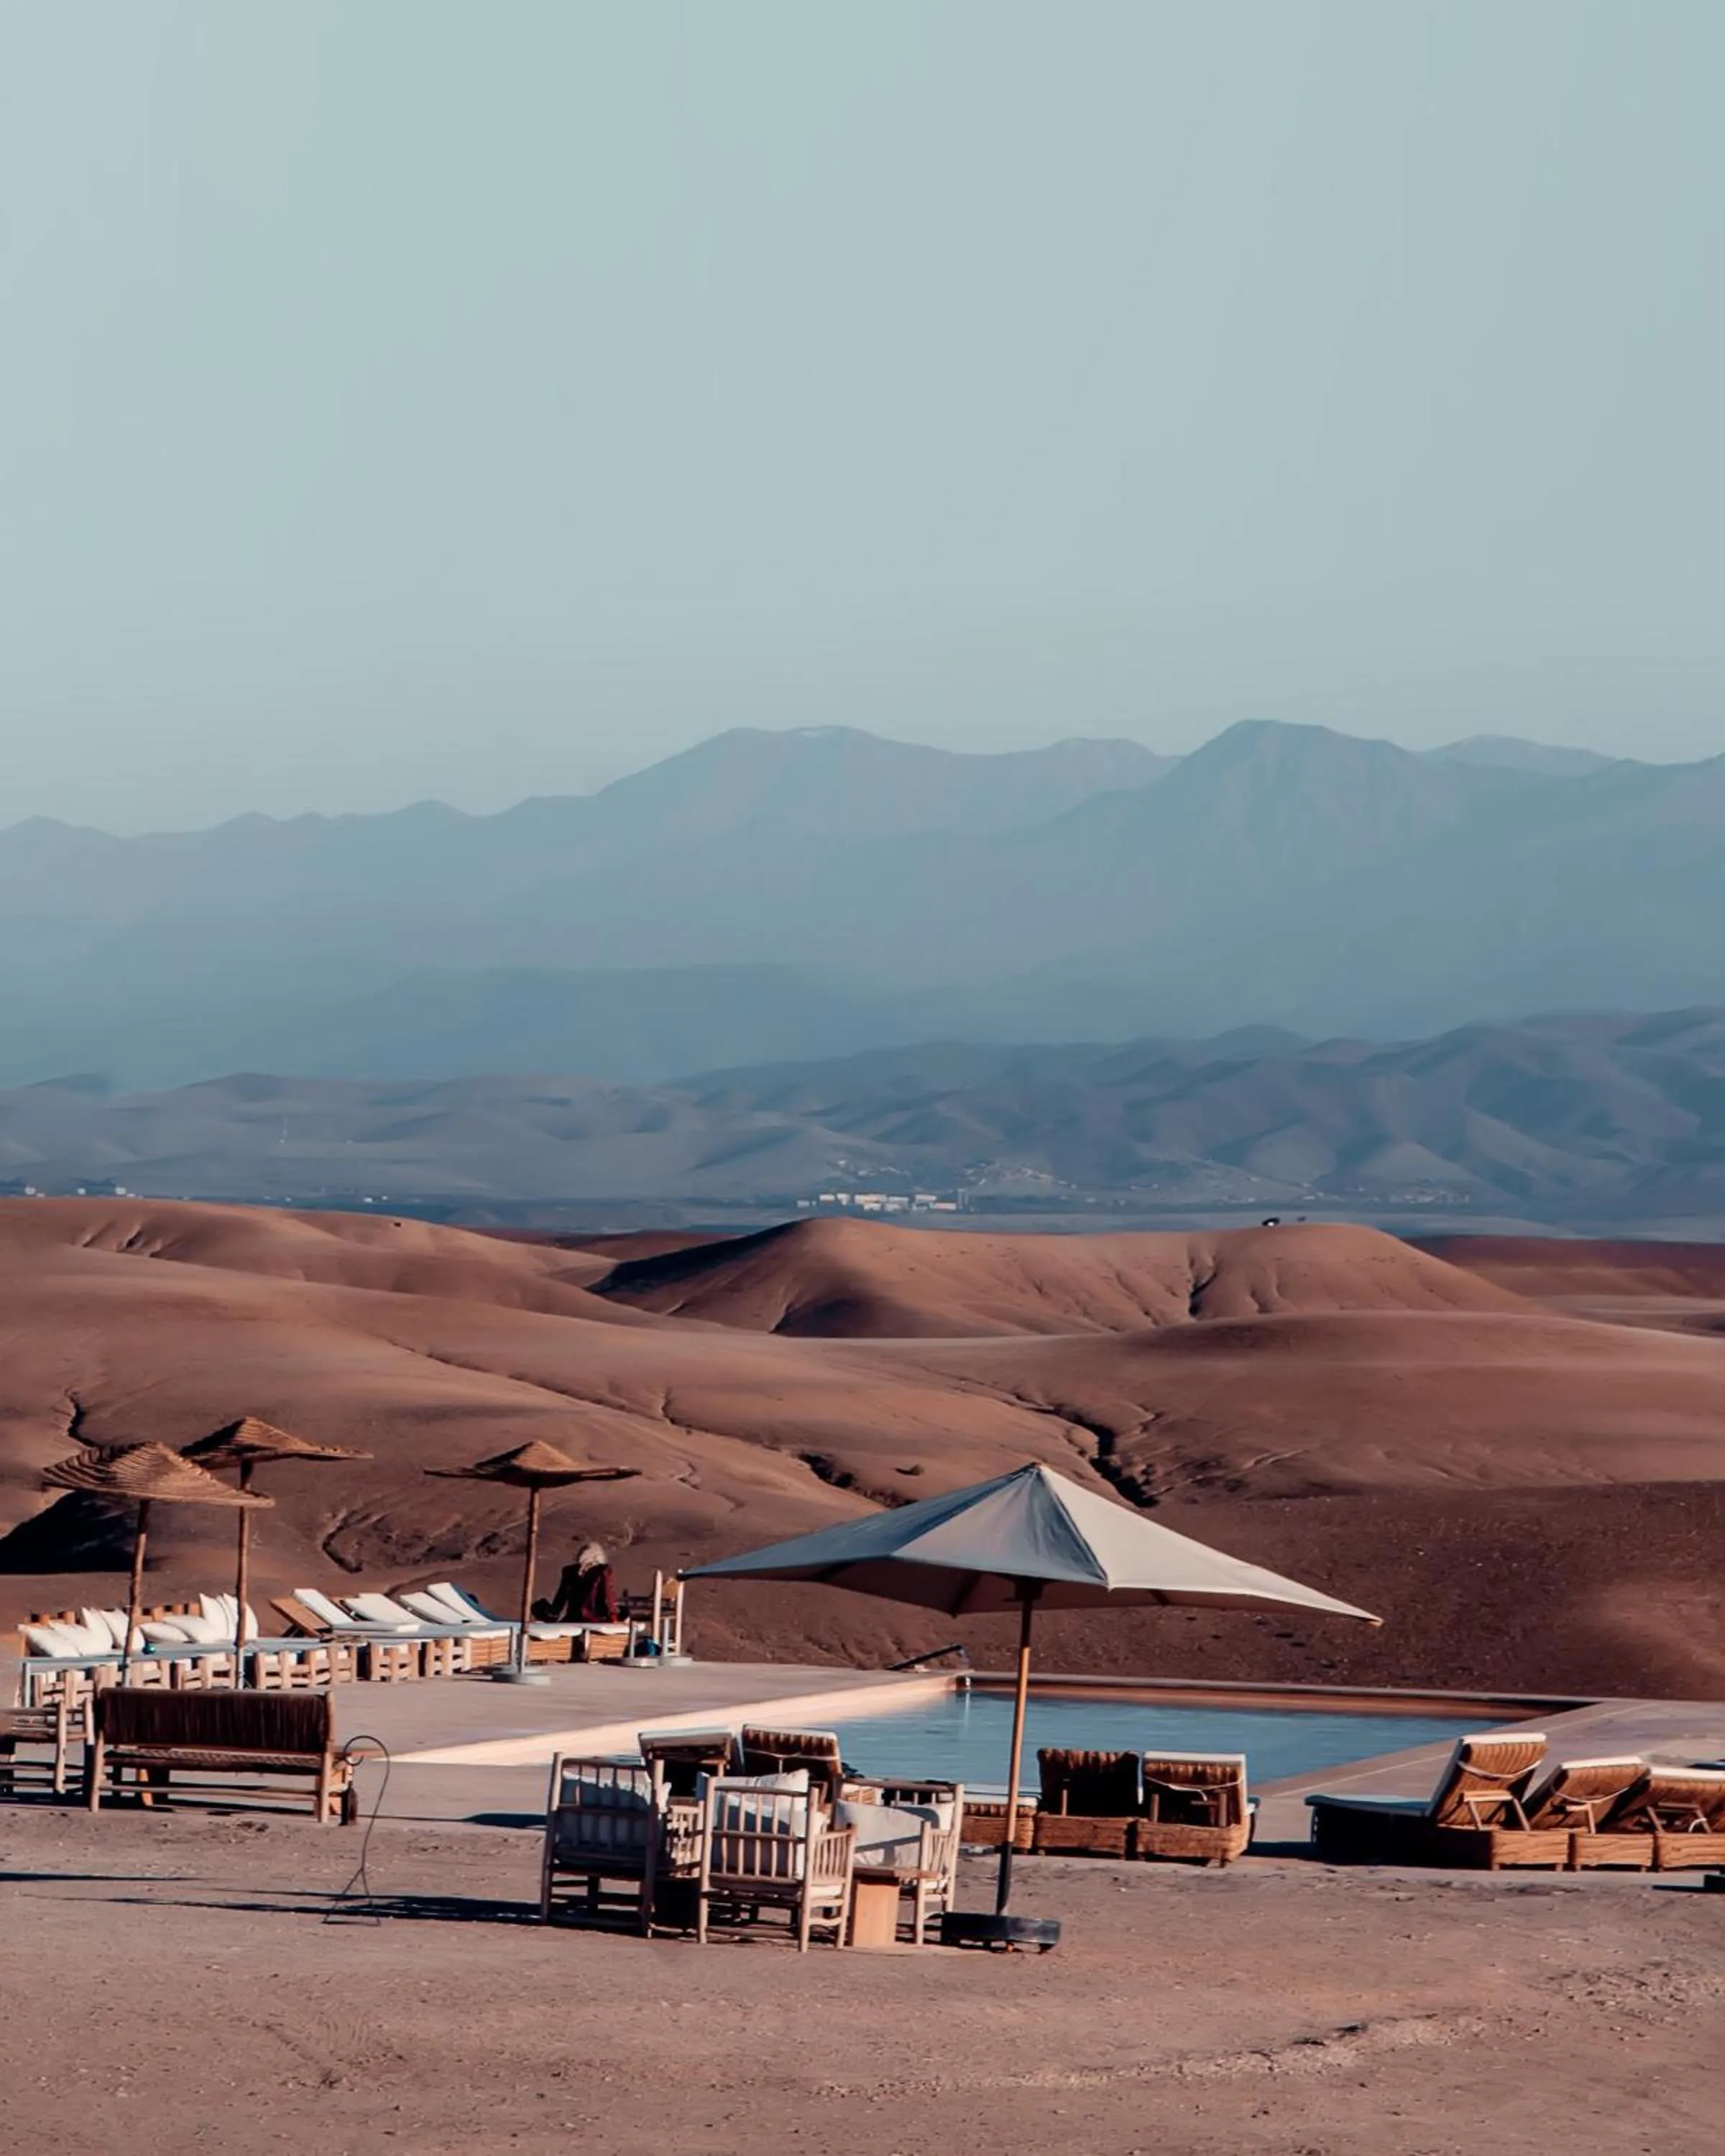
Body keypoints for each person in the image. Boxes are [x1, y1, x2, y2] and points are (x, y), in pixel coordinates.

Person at [533, 1539, 617, 1623]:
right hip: (595, 1620)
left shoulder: (570, 1572)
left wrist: (551, 1614)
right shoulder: (603, 1571)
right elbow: (608, 1597)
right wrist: (614, 1617)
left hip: (573, 1619)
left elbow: (560, 1599)